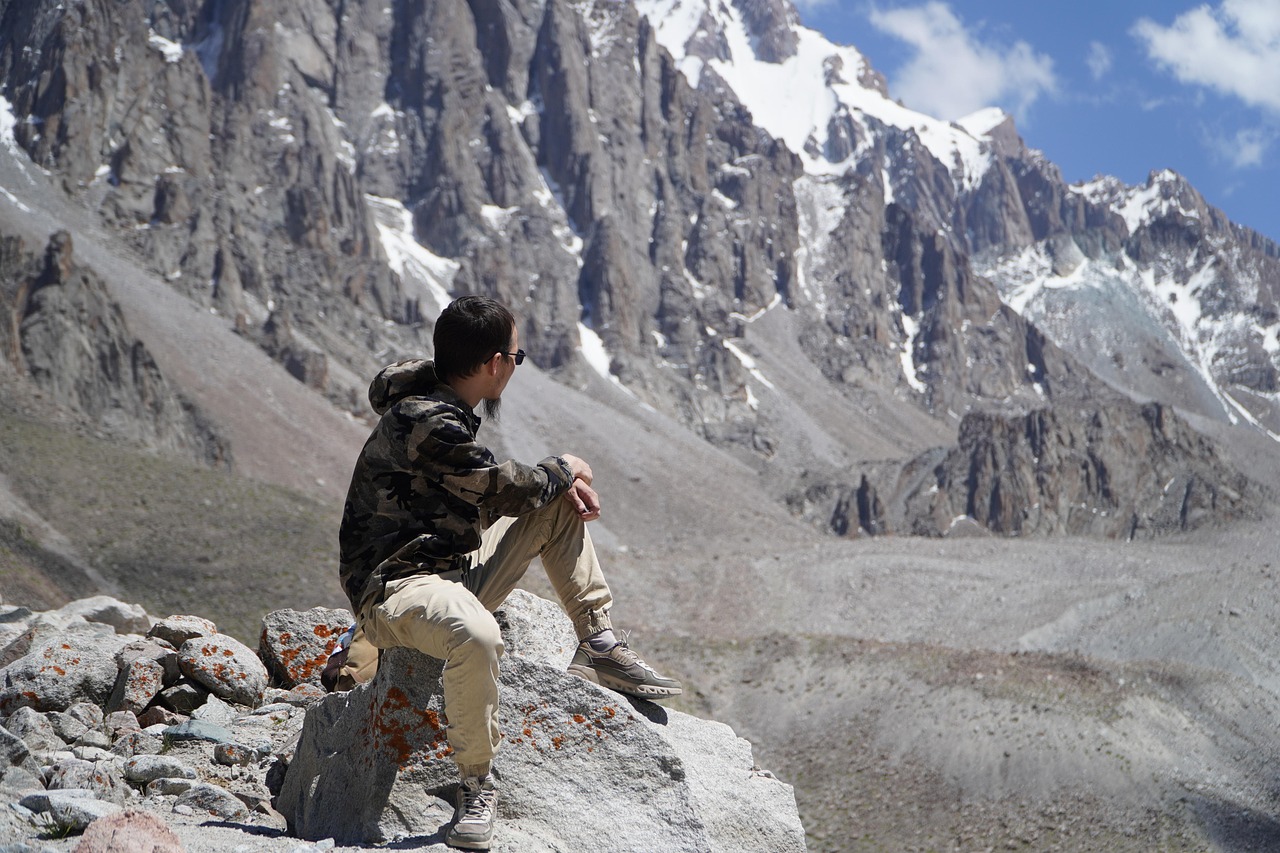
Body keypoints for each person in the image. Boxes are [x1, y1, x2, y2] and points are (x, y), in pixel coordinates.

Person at [337, 295, 682, 851]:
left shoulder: (439, 398)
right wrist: (566, 466)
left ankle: (598, 643)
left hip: (448, 564)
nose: (515, 370)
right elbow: (498, 484)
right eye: (516, 360)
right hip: (396, 587)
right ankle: (476, 782)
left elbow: (504, 491)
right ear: (494, 364)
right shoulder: (423, 420)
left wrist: (559, 484)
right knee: (476, 634)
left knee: (555, 499)